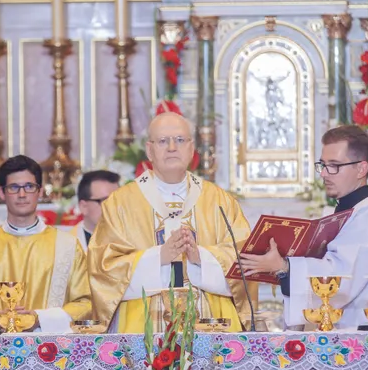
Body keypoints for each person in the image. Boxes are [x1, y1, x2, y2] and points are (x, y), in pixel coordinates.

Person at [88, 113, 255, 332]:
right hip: (142, 326)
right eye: (163, 141)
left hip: (212, 324)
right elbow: (103, 268)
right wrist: (158, 258)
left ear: (191, 148)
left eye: (180, 140)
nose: (172, 147)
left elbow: (245, 261)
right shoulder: (121, 203)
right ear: (150, 150)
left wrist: (201, 259)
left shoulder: (220, 201)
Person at [240, 125, 368, 330]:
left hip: (366, 334)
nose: (325, 174)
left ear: (361, 169)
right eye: (323, 165)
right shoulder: (340, 212)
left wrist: (284, 267)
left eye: (334, 165)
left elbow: (343, 278)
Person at [0, 155, 91, 334]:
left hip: (52, 352)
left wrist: (39, 319)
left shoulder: (67, 246)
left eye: (29, 187)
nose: (22, 194)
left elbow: (86, 304)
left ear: (40, 191)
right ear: (1, 193)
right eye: (14, 187)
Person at [75, 170, 121, 252]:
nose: (113, 207)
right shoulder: (66, 244)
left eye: (116, 200)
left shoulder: (132, 240)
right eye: (105, 201)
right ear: (83, 207)